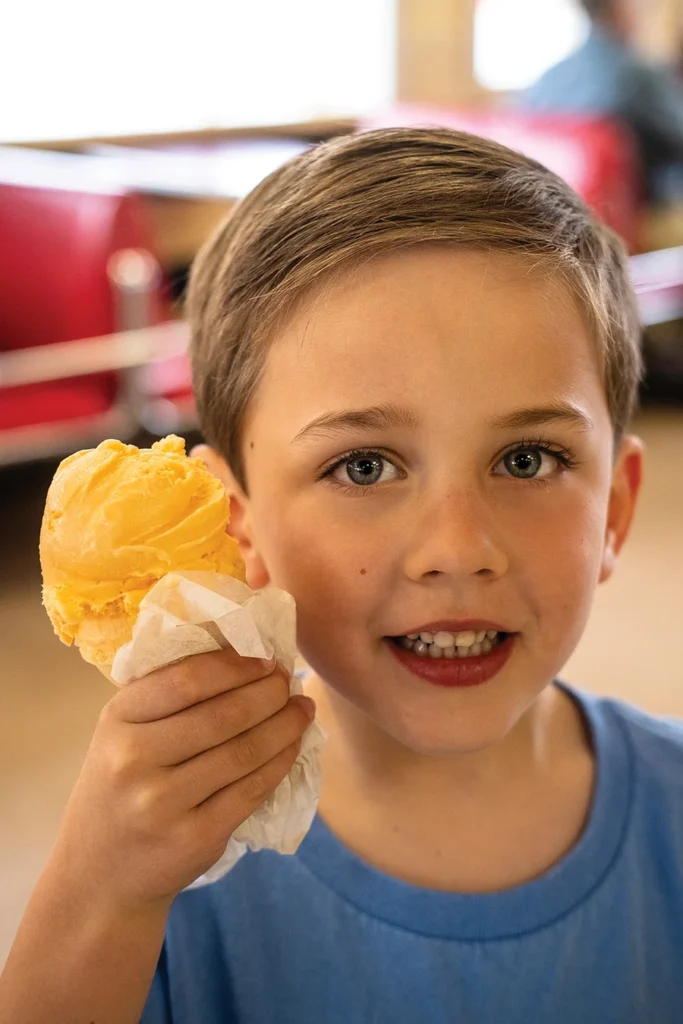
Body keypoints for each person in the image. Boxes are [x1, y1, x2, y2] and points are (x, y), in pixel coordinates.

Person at [1, 125, 682, 1023]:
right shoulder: (168, 863)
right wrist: (100, 893)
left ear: (615, 511)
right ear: (233, 526)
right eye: (363, 466)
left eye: (525, 459)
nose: (456, 547)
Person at [521, 0, 683, 201]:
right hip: (638, 215)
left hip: (558, 208)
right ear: (620, 7)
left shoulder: (548, 80)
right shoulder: (637, 77)